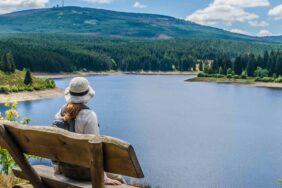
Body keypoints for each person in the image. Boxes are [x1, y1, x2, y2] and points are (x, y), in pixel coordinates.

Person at [53, 77, 122, 186]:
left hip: (64, 170)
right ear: (87, 95)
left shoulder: (59, 113)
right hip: (84, 172)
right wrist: (104, 178)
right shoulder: (89, 116)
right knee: (119, 178)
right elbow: (95, 150)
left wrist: (57, 169)